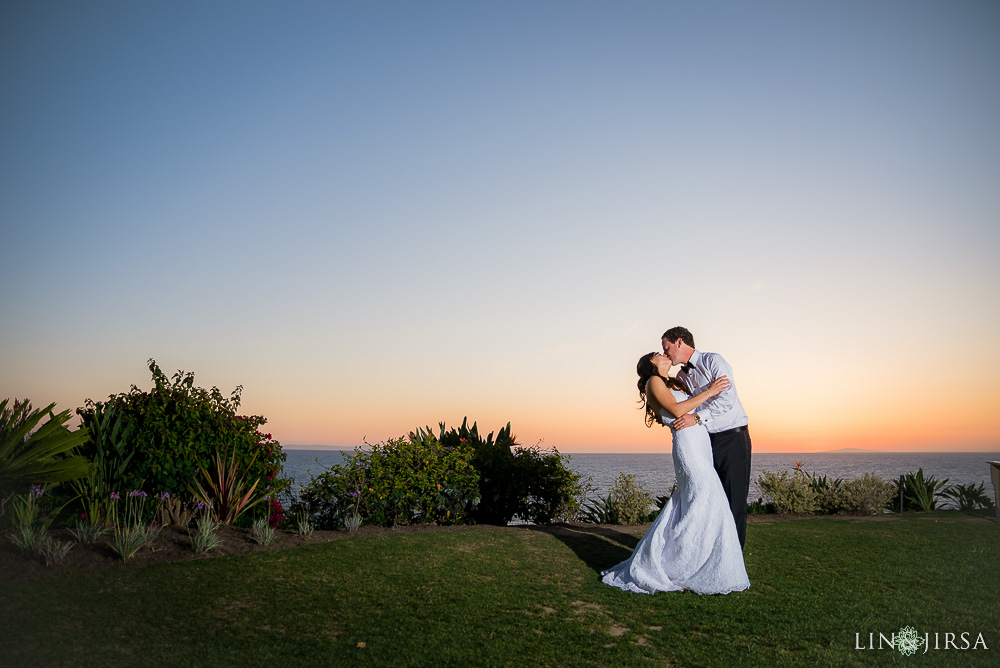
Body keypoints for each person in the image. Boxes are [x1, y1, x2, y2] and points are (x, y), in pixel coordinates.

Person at [600, 353, 750, 595]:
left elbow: (690, 410)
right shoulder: (653, 382)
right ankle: (682, 564)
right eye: (659, 354)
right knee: (704, 499)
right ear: (652, 364)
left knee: (702, 504)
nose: (664, 355)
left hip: (701, 442)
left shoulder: (674, 381)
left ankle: (703, 560)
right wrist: (710, 391)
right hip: (688, 446)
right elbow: (678, 409)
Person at [662, 326, 751, 549]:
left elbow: (727, 400)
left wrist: (697, 419)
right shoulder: (681, 376)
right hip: (706, 443)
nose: (665, 353)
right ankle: (713, 555)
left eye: (667, 347)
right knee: (713, 500)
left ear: (679, 342)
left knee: (734, 500)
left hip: (733, 438)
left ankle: (734, 559)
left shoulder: (713, 361)